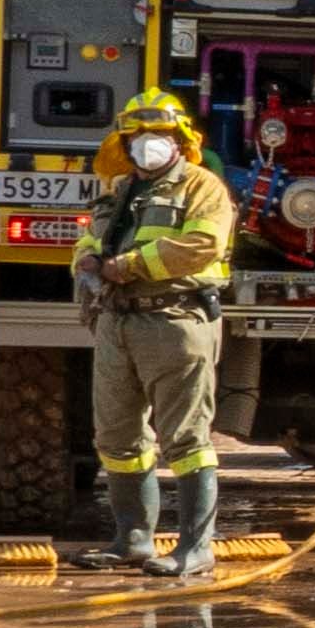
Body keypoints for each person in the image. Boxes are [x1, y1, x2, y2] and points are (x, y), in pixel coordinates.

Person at [85, 86, 236, 576]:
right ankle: (133, 539)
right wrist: (85, 261)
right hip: (117, 322)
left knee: (186, 439)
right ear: (124, 144)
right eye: (138, 135)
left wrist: (129, 266)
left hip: (175, 320)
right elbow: (90, 237)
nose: (148, 143)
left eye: (160, 134)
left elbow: (203, 243)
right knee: (117, 436)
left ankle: (196, 547)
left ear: (179, 139)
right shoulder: (121, 191)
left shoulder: (201, 187)